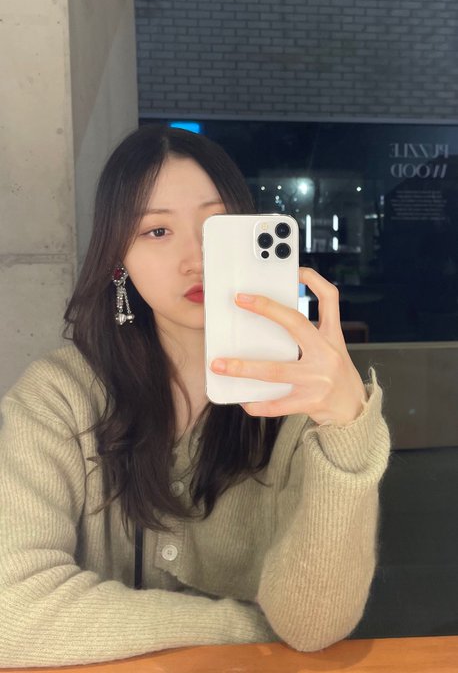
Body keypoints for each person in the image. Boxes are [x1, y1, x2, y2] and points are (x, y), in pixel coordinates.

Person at [0, 125, 390, 667]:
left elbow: (313, 627)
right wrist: (247, 626)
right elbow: (11, 613)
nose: (197, 258)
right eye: (157, 231)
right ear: (118, 260)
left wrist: (345, 429)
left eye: (217, 226)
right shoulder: (57, 399)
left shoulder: (308, 400)